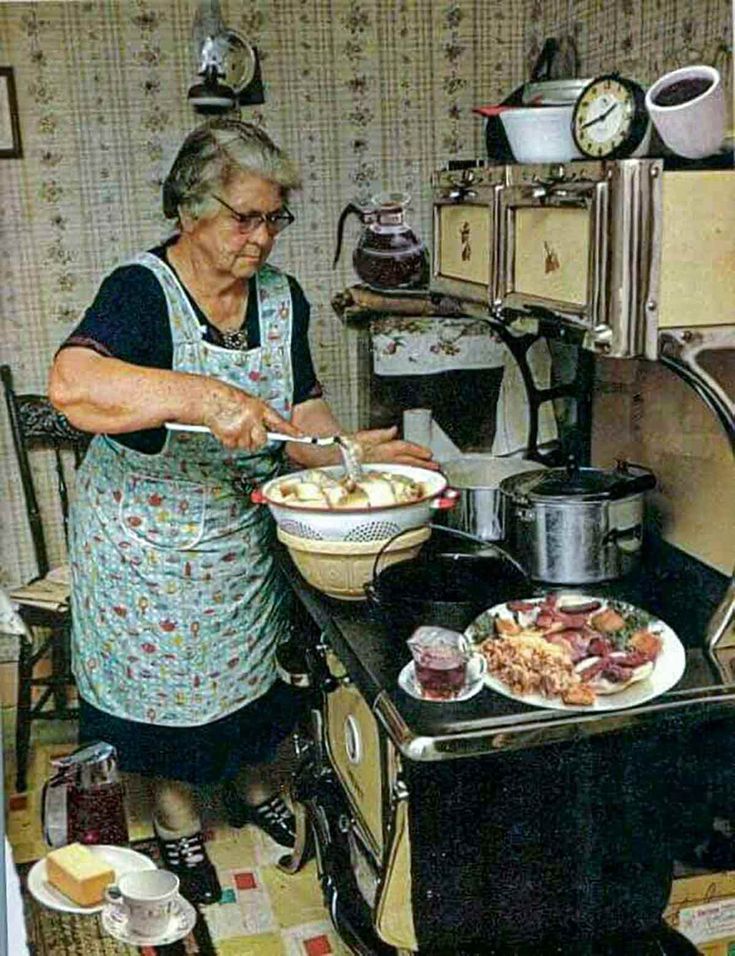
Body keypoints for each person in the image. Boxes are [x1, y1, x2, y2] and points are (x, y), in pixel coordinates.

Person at [48, 117, 435, 904]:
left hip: (237, 538)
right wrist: (207, 394)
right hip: (143, 546)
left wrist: (351, 456)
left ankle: (259, 795)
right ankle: (176, 824)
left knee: (254, 685)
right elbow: (72, 385)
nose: (260, 238)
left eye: (273, 218)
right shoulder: (139, 291)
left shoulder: (281, 298)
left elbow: (302, 417)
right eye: (243, 218)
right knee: (160, 702)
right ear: (189, 211)